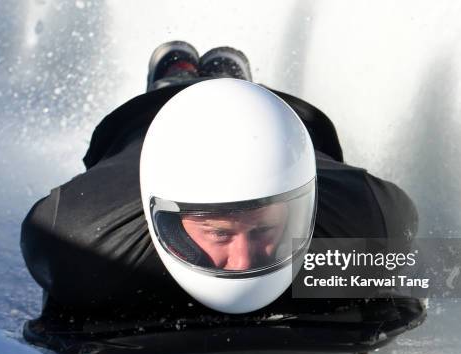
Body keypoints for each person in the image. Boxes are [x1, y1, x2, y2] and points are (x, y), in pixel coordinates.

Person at [21, 41, 420, 319]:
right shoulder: (78, 243)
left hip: (284, 124)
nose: (245, 262)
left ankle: (225, 86)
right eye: (219, 233)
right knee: (150, 118)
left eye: (264, 228)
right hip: (144, 125)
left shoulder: (366, 224)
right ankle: (176, 86)